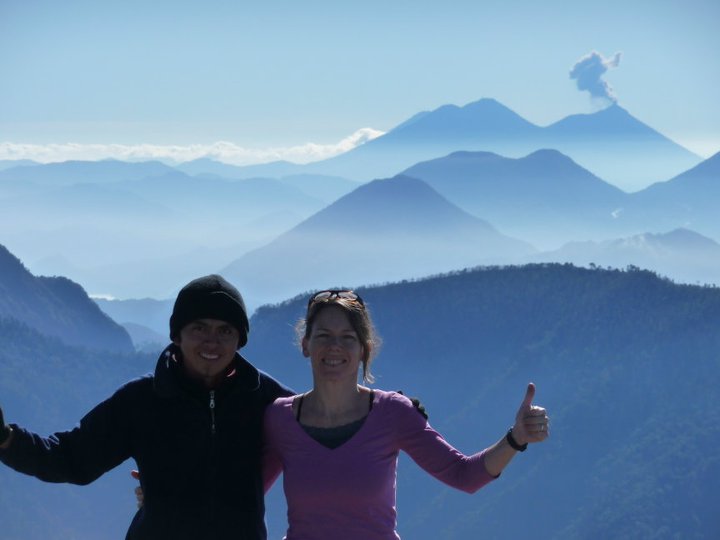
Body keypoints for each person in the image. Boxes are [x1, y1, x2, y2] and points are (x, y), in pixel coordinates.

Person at [0, 274, 292, 540]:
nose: (211, 341)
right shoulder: (142, 400)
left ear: (240, 340)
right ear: (177, 335)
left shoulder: (268, 400)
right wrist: (7, 440)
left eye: (225, 331)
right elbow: (71, 458)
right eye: (199, 328)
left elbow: (326, 436)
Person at [261, 289, 550, 539]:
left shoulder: (393, 413)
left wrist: (516, 438)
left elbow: (464, 476)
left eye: (347, 337)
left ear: (364, 350)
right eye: (323, 335)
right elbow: (244, 496)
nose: (334, 346)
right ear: (305, 345)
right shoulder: (280, 419)